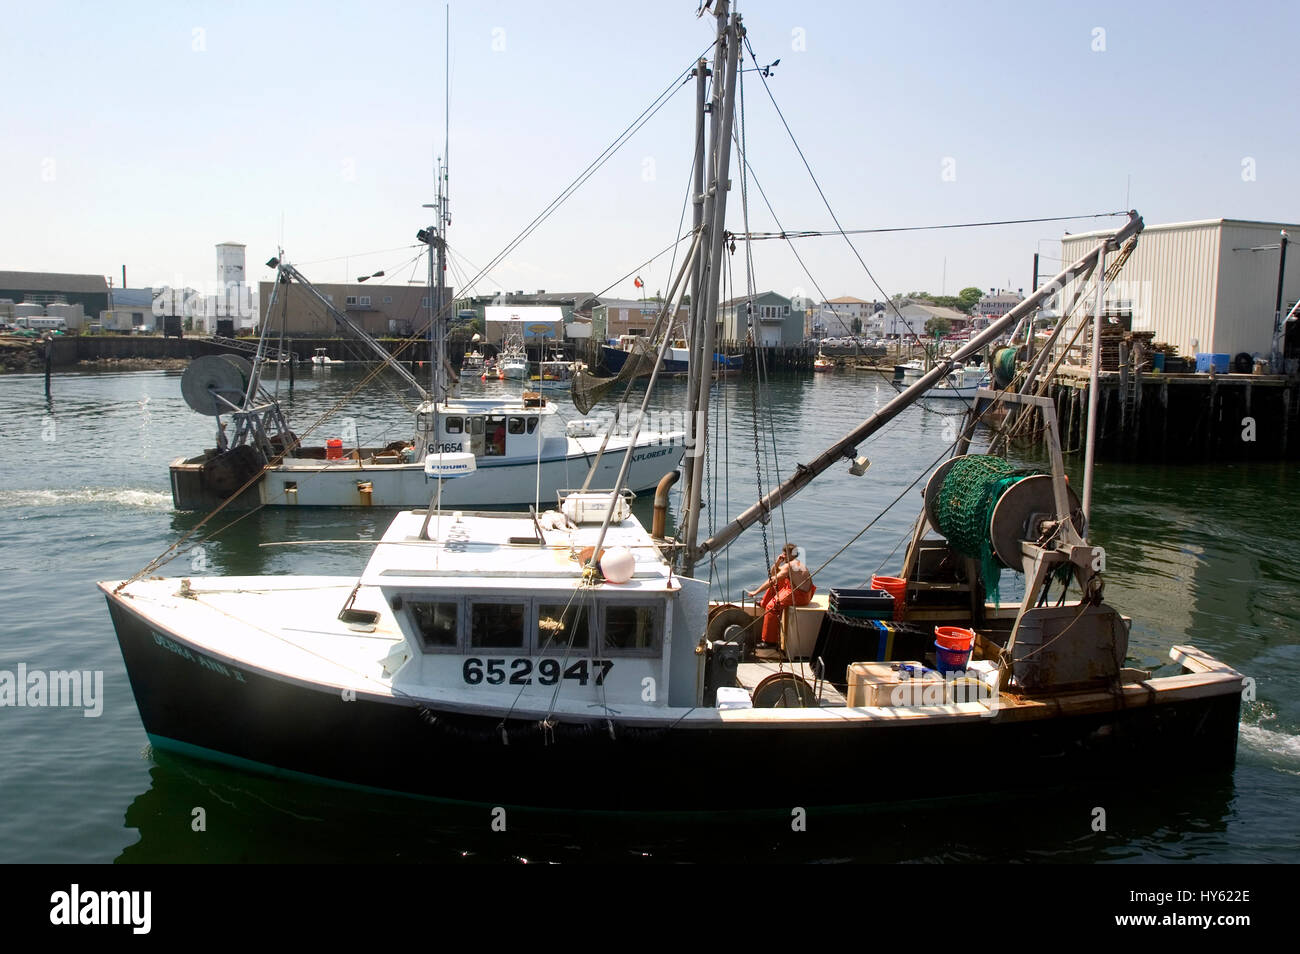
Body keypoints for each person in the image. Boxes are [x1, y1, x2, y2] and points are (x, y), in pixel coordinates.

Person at [746, 543, 815, 647]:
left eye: (784, 554)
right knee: (777, 585)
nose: (783, 556)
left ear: (790, 555)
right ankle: (763, 602)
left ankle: (769, 642)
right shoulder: (796, 563)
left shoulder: (790, 566)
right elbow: (773, 573)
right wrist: (778, 562)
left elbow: (772, 579)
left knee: (771, 607)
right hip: (806, 594)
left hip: (800, 596)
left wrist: (755, 592)